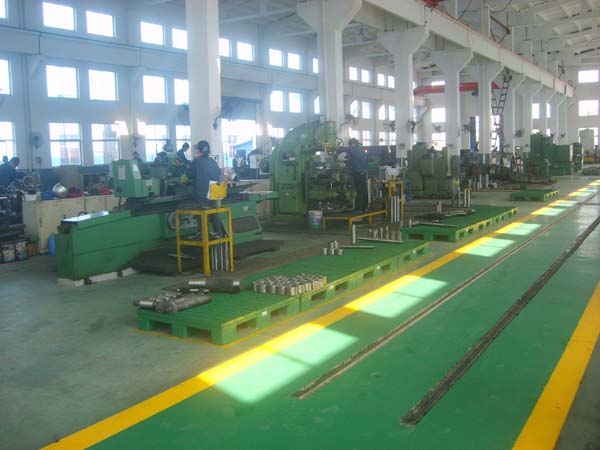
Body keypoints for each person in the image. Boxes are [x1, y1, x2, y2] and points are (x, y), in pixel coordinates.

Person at [186, 140, 226, 237]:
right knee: (214, 214)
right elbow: (218, 174)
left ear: (198, 150)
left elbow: (189, 175)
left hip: (202, 196)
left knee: (201, 214)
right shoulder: (213, 162)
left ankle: (203, 237)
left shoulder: (196, 162)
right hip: (214, 195)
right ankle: (219, 235)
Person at [347, 138, 369, 212]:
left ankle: (359, 208)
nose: (350, 145)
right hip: (363, 172)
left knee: (359, 190)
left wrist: (341, 150)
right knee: (364, 190)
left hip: (357, 172)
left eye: (351, 144)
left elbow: (349, 152)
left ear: (353, 144)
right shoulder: (361, 150)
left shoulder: (353, 150)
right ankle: (365, 207)